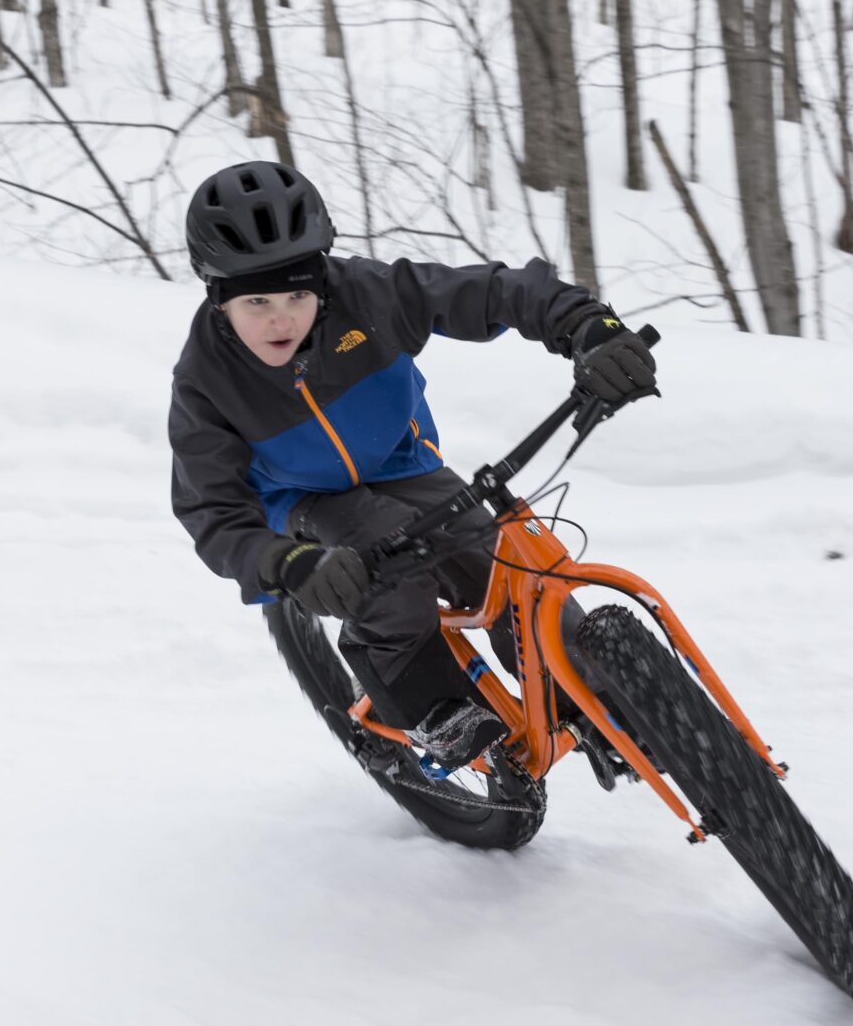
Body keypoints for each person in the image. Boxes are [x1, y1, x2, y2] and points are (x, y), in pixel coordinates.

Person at [168, 161, 657, 769]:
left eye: (298, 293)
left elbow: (489, 291)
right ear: (218, 300)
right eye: (257, 301)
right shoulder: (206, 381)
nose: (280, 318)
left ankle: (594, 697)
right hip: (300, 497)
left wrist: (586, 325)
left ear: (322, 278)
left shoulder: (367, 296)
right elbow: (210, 508)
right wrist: (282, 561)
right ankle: (426, 703)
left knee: (505, 563)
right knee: (387, 566)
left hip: (400, 460)